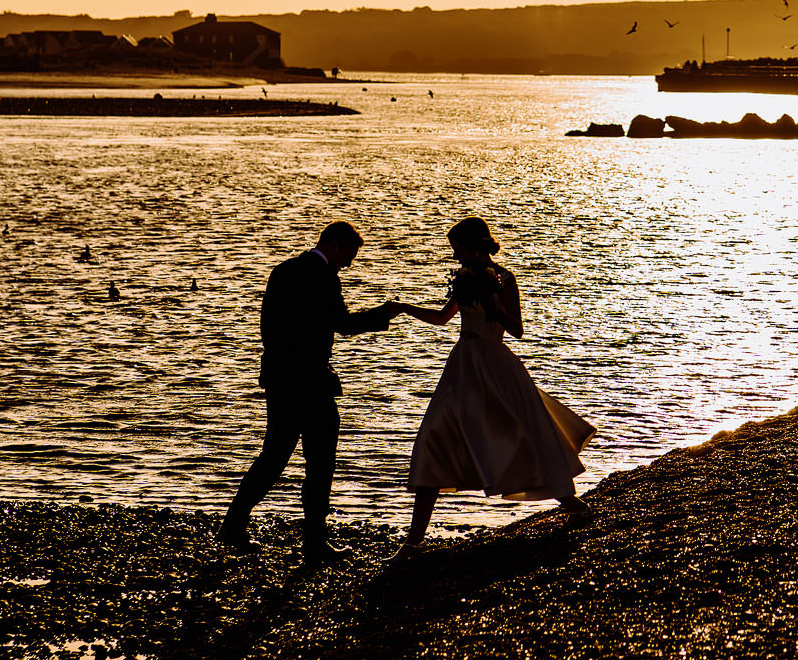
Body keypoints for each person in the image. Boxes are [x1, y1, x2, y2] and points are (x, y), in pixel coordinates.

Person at [392, 216, 595, 557]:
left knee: (522, 430)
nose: (456, 256)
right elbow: (444, 318)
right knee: (434, 437)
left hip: (495, 364)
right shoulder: (464, 279)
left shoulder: (504, 278)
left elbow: (517, 330)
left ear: (475, 246)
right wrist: (402, 308)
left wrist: (494, 307)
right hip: (463, 365)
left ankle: (568, 499)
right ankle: (414, 539)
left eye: (458, 249)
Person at [218, 220, 400, 567]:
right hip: (310, 382)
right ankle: (314, 544)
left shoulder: (283, 271)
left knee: (273, 458)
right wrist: (383, 313)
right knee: (320, 463)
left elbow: (268, 325)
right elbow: (342, 324)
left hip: (279, 377)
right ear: (333, 244)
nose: (349, 262)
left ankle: (233, 525)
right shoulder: (323, 277)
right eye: (350, 253)